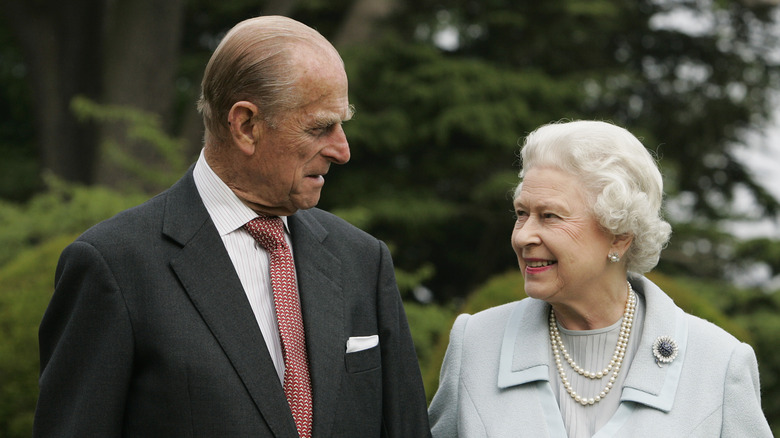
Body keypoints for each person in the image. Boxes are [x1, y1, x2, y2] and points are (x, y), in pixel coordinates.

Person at [33, 16, 431, 437]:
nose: (342, 150)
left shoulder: (363, 262)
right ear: (245, 125)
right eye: (319, 127)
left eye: (342, 125)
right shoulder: (113, 267)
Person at [428, 120, 772, 437]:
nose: (522, 237)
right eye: (522, 214)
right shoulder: (475, 345)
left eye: (549, 216)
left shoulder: (718, 362)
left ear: (619, 235)